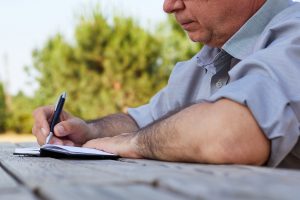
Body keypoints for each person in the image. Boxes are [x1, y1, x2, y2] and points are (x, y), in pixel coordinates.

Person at [32, 0, 300, 168]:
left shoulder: (295, 33)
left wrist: (135, 144)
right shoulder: (207, 60)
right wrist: (90, 130)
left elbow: (230, 135)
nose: (168, 5)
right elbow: (144, 120)